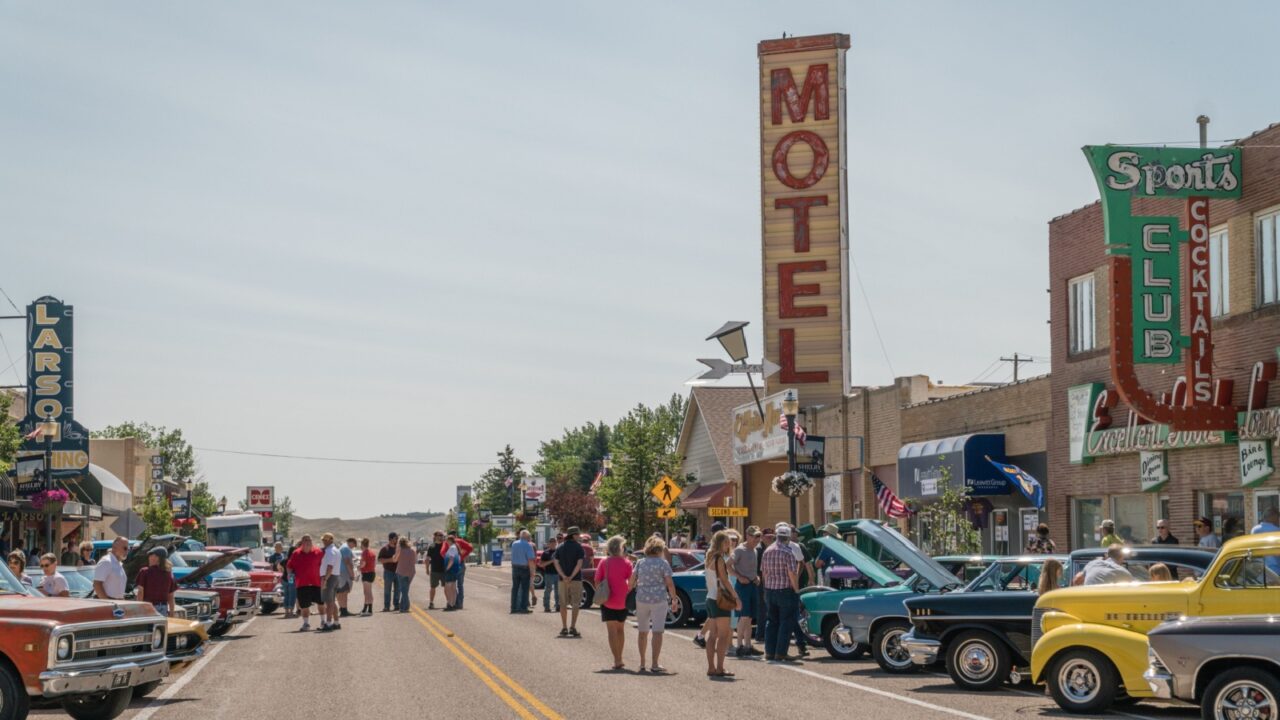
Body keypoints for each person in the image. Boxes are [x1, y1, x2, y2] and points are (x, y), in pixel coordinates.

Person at [629, 535, 677, 673]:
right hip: (659, 599)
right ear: (659, 549)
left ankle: (642, 663)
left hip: (642, 599)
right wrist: (674, 599)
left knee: (642, 632)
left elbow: (631, 582)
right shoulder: (663, 563)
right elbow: (670, 584)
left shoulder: (640, 563)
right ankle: (655, 664)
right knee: (657, 632)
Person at [761, 523, 800, 662]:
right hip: (785, 591)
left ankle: (769, 652)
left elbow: (764, 572)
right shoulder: (788, 552)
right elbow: (792, 573)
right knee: (786, 622)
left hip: (770, 590)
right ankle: (781, 652)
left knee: (771, 622)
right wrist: (796, 590)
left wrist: (766, 589)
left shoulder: (767, 551)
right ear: (788, 537)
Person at [704, 530, 740, 678]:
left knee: (712, 634)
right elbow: (725, 580)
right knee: (723, 635)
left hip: (710, 598)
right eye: (726, 542)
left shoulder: (709, 556)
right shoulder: (719, 558)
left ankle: (711, 667)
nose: (729, 544)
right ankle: (719, 667)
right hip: (720, 599)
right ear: (720, 543)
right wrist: (736, 597)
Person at [597, 535, 633, 671]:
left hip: (607, 600)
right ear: (621, 548)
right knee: (620, 629)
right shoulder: (627, 563)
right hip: (623, 600)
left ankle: (617, 659)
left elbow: (597, 580)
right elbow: (631, 582)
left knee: (611, 630)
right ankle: (620, 657)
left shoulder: (604, 562)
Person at [730, 528, 762, 657]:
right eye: (754, 536)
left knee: (749, 617)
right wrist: (739, 577)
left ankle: (748, 645)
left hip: (752, 584)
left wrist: (756, 577)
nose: (757, 539)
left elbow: (751, 569)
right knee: (743, 616)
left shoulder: (754, 550)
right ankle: (739, 645)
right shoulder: (739, 550)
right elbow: (728, 565)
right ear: (747, 536)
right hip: (743, 586)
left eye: (758, 536)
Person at [553, 526, 586, 637]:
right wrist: (571, 576)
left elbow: (556, 562)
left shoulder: (560, 547)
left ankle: (564, 627)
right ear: (574, 535)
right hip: (575, 579)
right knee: (576, 604)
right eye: (578, 535)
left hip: (562, 580)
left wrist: (563, 575)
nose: (579, 537)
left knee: (563, 604)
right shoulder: (579, 547)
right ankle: (572, 627)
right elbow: (579, 563)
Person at [287, 534, 323, 631]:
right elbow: (289, 566)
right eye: (305, 540)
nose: (307, 542)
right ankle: (306, 624)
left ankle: (323, 621)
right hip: (302, 584)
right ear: (302, 542)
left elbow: (324, 565)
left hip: (317, 583)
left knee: (321, 603)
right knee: (304, 606)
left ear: (312, 542)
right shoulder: (296, 553)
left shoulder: (318, 552)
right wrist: (290, 577)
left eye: (309, 540)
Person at [135, 547, 177, 616]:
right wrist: (172, 613)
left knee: (148, 627)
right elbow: (171, 596)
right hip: (163, 609)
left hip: (148, 608)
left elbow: (140, 592)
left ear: (157, 558)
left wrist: (138, 609)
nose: (149, 557)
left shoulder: (145, 572)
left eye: (151, 555)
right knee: (160, 627)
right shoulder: (169, 574)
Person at [318, 533, 342, 631]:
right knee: (332, 601)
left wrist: (325, 579)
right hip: (335, 576)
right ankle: (336, 622)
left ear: (329, 540)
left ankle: (328, 623)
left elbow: (329, 567)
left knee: (329, 602)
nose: (323, 542)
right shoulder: (336, 550)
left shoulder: (329, 551)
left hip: (330, 577)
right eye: (323, 540)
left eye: (325, 540)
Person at [509, 530, 536, 614]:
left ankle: (513, 607)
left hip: (515, 567)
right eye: (529, 537)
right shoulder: (528, 545)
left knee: (515, 588)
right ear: (527, 537)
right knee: (525, 589)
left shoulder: (514, 544)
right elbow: (530, 560)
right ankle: (523, 608)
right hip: (524, 568)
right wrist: (532, 572)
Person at [1250, 506, 1280, 575]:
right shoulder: (1277, 530)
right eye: (1278, 517)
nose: (1278, 520)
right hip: (1275, 570)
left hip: (1258, 570)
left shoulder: (1255, 530)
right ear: (1273, 516)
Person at [446, 531, 472, 609]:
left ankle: (453, 603)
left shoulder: (449, 544)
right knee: (460, 585)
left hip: (453, 566)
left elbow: (443, 552)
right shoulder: (459, 542)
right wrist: (463, 556)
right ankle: (460, 603)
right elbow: (470, 547)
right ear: (456, 535)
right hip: (461, 565)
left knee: (451, 585)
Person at [392, 536, 417, 613]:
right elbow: (415, 560)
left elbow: (394, 560)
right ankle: (403, 607)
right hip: (411, 572)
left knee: (404, 591)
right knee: (405, 589)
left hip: (401, 571)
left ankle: (406, 606)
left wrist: (395, 555)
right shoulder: (413, 550)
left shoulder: (400, 550)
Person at [378, 532, 400, 612]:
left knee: (398, 590)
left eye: (397, 538)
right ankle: (386, 606)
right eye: (395, 538)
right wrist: (390, 560)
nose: (397, 540)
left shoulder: (398, 548)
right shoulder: (385, 549)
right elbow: (380, 559)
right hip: (388, 572)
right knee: (387, 590)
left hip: (398, 572)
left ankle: (396, 605)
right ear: (390, 539)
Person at [538, 536, 560, 613]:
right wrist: (551, 561)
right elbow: (541, 564)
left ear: (556, 543)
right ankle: (546, 606)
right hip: (549, 574)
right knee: (548, 590)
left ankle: (558, 606)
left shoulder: (559, 552)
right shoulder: (545, 553)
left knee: (558, 591)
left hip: (558, 574)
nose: (553, 543)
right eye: (551, 542)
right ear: (548, 544)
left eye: (554, 542)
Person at [426, 532, 448, 609]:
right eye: (440, 536)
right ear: (435, 536)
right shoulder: (431, 547)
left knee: (446, 587)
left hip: (444, 570)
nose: (441, 537)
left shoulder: (446, 545)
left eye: (442, 536)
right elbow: (427, 559)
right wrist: (427, 569)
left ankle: (449, 602)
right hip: (434, 570)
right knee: (433, 587)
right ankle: (431, 603)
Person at [337, 538, 356, 618]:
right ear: (351, 542)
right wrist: (352, 574)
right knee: (344, 591)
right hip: (344, 572)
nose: (353, 548)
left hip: (340, 572)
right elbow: (347, 562)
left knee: (340, 592)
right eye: (353, 546)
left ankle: (342, 608)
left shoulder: (342, 547)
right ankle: (344, 610)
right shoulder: (346, 548)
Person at [442, 536, 462, 611]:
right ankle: (453, 604)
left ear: (450, 540)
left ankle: (450, 604)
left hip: (450, 570)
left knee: (448, 588)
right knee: (453, 588)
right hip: (454, 570)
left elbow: (451, 559)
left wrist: (447, 568)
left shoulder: (452, 548)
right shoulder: (455, 547)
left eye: (447, 540)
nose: (446, 542)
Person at [358, 538, 376, 616]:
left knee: (367, 592)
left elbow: (363, 564)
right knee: (368, 592)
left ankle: (369, 610)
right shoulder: (372, 552)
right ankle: (367, 608)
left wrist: (359, 567)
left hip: (366, 573)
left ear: (362, 545)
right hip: (371, 572)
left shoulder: (364, 553)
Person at [282, 544, 297, 618]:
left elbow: (278, 566)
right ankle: (291, 612)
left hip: (284, 579)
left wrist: (283, 572)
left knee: (286, 595)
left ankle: (286, 612)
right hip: (291, 578)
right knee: (292, 595)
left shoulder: (285, 560)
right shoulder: (294, 560)